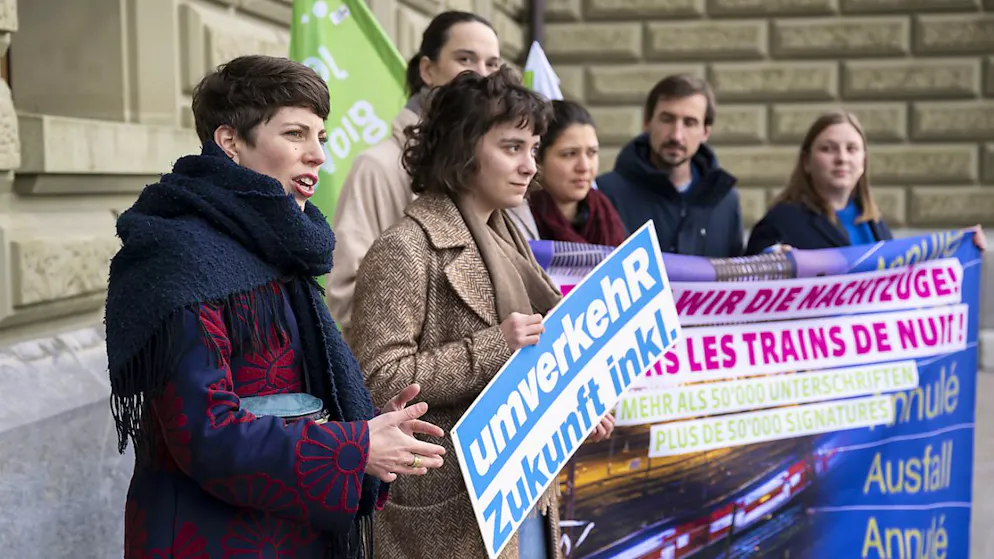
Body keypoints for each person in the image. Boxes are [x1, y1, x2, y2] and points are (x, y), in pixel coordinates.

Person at [104, 55, 447, 559]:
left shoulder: (278, 243)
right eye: (295, 134)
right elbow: (205, 434)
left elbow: (286, 386)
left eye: (321, 138)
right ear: (230, 142)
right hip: (210, 540)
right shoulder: (178, 253)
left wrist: (366, 424)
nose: (317, 156)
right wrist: (354, 450)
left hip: (294, 532)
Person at [347, 68, 615, 559]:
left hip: (526, 498)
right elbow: (379, 382)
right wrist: (494, 345)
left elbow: (533, 367)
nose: (530, 166)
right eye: (512, 147)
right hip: (448, 516)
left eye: (533, 149)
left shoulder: (512, 242)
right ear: (463, 150)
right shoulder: (404, 249)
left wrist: (577, 404)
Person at [327, 11, 541, 336]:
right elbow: (347, 297)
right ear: (427, 69)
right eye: (465, 58)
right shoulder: (379, 165)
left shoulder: (501, 177)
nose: (481, 74)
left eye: (493, 64)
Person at [746, 111, 987, 255]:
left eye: (851, 149)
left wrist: (958, 247)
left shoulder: (874, 222)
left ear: (863, 161)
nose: (842, 158)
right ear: (807, 161)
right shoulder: (781, 222)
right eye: (828, 149)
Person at [596, 74, 743, 257]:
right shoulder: (605, 194)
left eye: (689, 123)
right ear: (647, 122)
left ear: (705, 131)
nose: (676, 135)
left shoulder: (726, 201)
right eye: (667, 119)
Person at [531, 100, 627, 246]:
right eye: (569, 154)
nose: (584, 166)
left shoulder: (604, 214)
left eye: (592, 153)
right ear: (538, 158)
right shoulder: (519, 220)